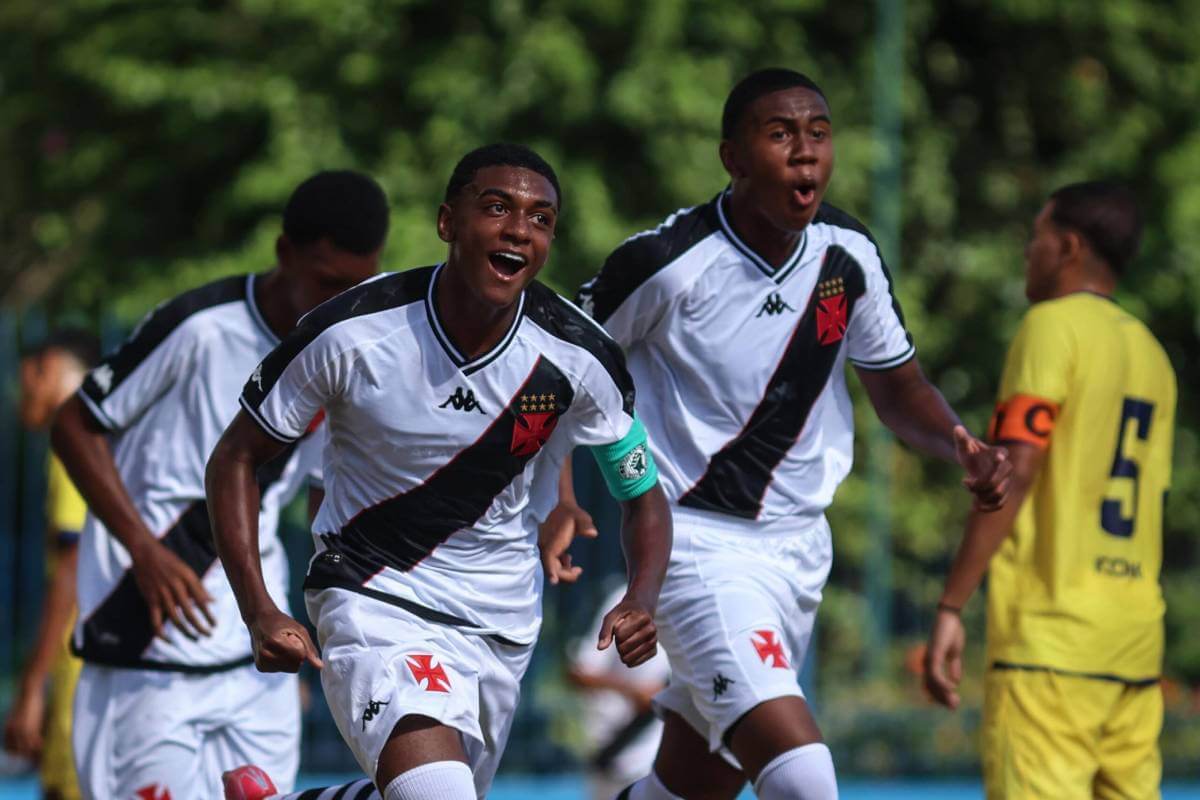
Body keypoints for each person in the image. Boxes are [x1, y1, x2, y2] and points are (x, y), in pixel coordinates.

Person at [566, 68, 1011, 800]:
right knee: (805, 779)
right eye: (780, 135)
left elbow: (897, 386)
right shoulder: (665, 264)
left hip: (801, 549)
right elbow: (559, 369)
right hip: (694, 543)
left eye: (819, 133)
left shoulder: (849, 254)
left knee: (692, 788)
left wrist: (957, 440)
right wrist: (557, 491)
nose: (806, 153)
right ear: (733, 159)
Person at [207, 143, 672, 800]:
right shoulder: (351, 331)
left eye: (540, 219)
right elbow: (236, 456)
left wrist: (640, 597)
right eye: (496, 208)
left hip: (501, 622)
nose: (518, 229)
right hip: (372, 595)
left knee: (432, 790)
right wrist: (258, 610)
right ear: (447, 222)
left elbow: (642, 493)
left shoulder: (579, 356)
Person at [50, 170, 388, 800]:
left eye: (354, 286)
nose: (335, 302)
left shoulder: (348, 351)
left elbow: (324, 495)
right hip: (143, 642)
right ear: (285, 254)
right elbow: (74, 423)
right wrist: (144, 551)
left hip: (254, 650)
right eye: (325, 281)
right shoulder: (201, 326)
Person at [924, 182, 1175, 799]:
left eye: (1034, 238)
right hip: (1134, 647)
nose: (1026, 252)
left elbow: (1018, 466)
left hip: (1049, 646)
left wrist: (953, 604)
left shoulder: (1050, 327)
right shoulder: (1152, 354)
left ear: (1067, 247)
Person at [4, 329, 99, 800]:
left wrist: (30, 690)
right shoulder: (105, 437)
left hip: (79, 670)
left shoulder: (72, 443)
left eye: (25, 378)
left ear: (45, 368)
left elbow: (70, 569)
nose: (21, 394)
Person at [568, 583, 670, 800]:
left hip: (659, 760)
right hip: (614, 754)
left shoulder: (692, 602)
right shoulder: (621, 598)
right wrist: (633, 692)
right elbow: (578, 672)